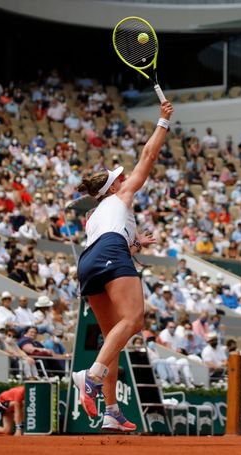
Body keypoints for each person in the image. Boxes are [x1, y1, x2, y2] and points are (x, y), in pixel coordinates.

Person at [71, 101, 173, 432]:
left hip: (88, 262)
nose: (125, 179)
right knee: (134, 320)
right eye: (119, 179)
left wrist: (135, 243)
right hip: (110, 253)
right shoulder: (122, 196)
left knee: (112, 337)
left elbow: (107, 243)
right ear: (113, 188)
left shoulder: (94, 215)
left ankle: (111, 411)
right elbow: (148, 157)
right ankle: (91, 376)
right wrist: (163, 120)